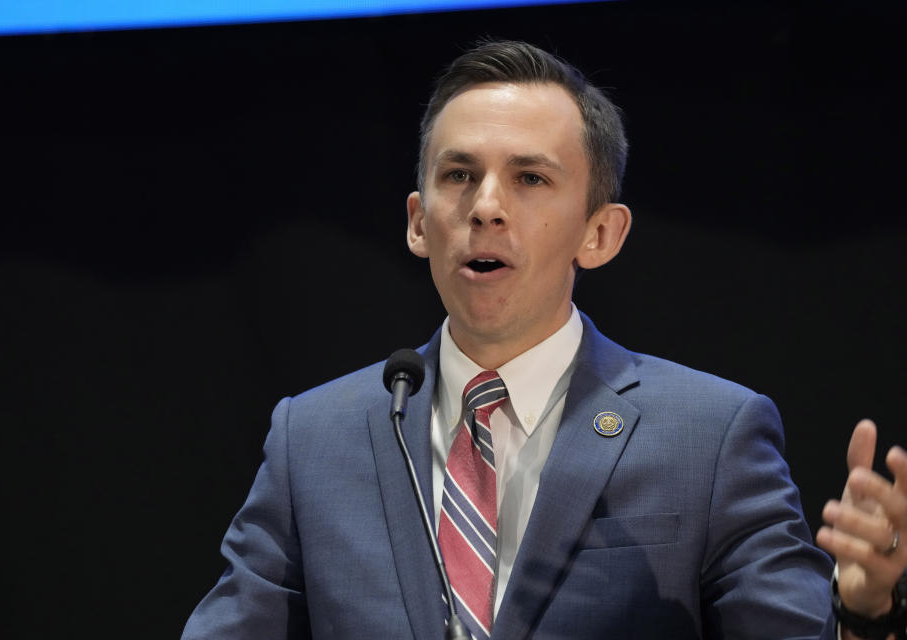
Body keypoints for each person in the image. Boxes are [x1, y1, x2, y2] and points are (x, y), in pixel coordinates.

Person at [182, 40, 907, 640]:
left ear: (600, 233)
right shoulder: (313, 438)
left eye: (529, 178)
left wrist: (864, 612)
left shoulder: (712, 436)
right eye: (459, 175)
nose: (487, 207)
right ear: (416, 221)